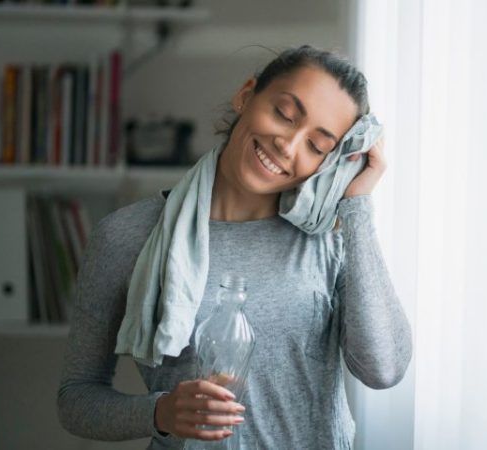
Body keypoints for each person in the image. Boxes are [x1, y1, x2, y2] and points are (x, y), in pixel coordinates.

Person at [57, 44, 413, 449]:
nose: (288, 145)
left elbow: (383, 369)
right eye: (284, 113)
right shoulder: (127, 235)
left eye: (317, 146)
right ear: (247, 95)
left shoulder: (331, 238)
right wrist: (161, 412)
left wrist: (357, 206)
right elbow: (76, 398)